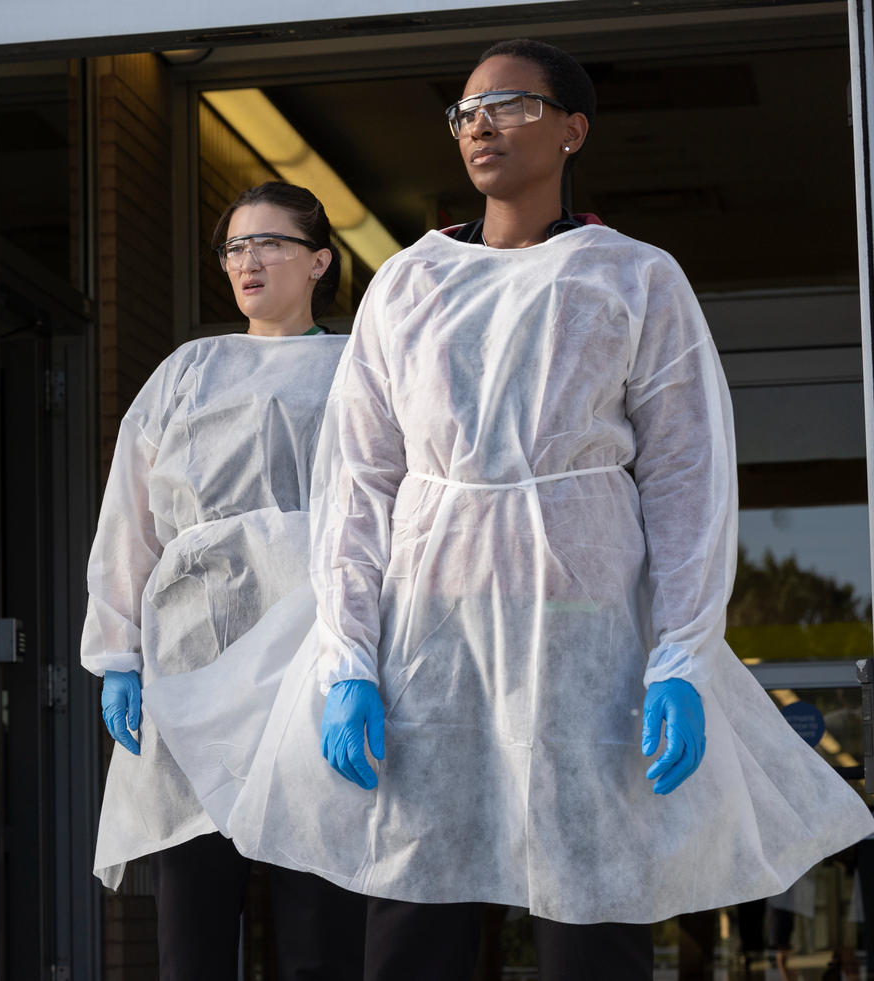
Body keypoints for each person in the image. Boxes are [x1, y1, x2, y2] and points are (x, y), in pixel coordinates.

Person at [142, 38, 874, 981]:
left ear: (573, 129)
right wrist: (348, 654)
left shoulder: (634, 278)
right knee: (413, 915)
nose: (480, 124)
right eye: (466, 112)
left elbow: (688, 478)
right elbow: (359, 482)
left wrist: (683, 653)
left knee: (589, 908)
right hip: (430, 646)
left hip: (582, 643)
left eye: (511, 105)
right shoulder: (409, 284)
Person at [82, 182, 366, 979]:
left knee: (320, 924)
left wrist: (366, 661)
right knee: (193, 931)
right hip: (195, 661)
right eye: (236, 247)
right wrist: (117, 653)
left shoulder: (357, 369)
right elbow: (129, 519)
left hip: (311, 665)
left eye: (270, 243)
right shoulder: (188, 370)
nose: (249, 261)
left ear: (319, 259)